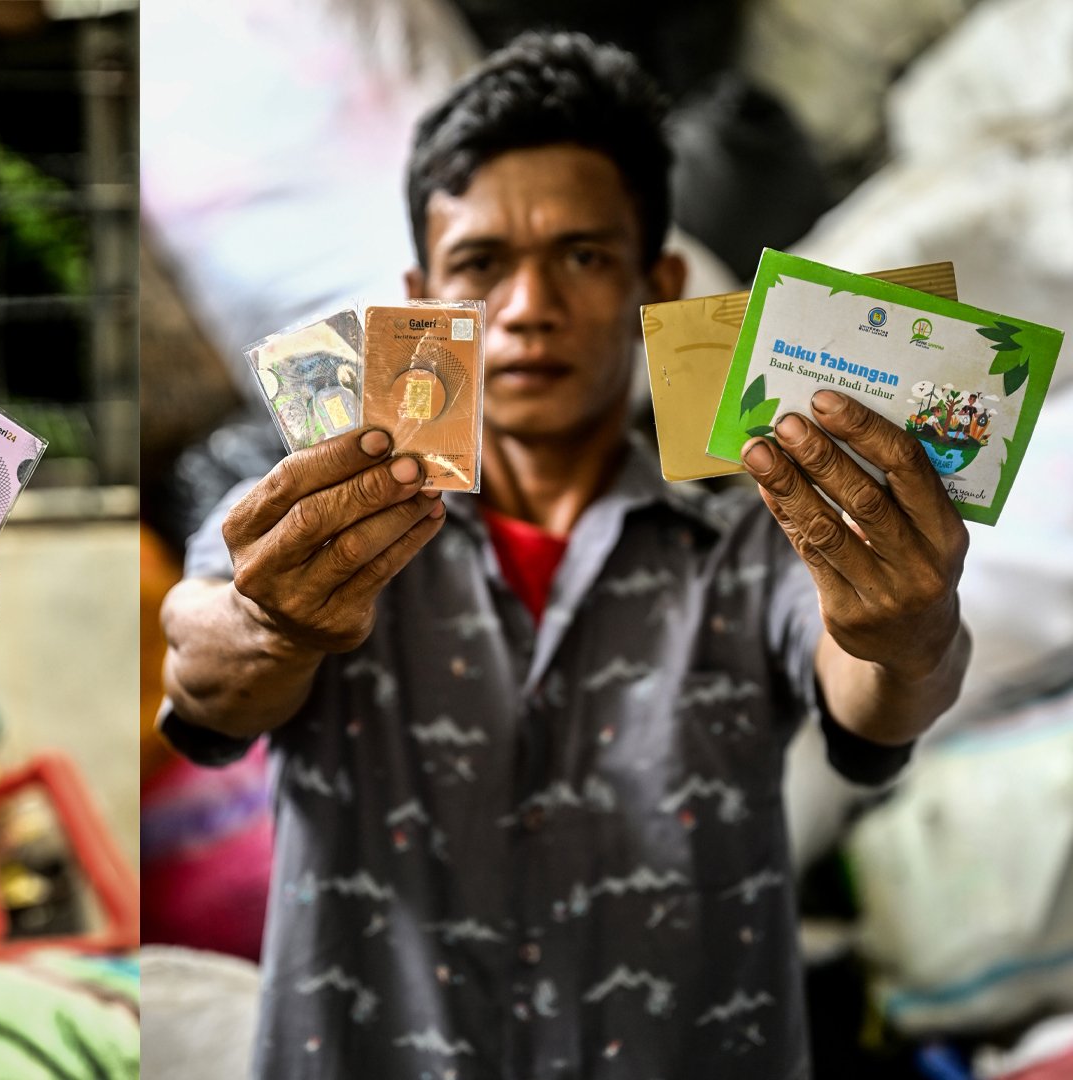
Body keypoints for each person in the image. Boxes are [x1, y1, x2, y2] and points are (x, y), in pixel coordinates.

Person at [159, 33, 970, 1079]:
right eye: (483, 265)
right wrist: (268, 627)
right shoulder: (315, 516)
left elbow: (872, 694)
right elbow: (201, 659)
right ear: (422, 294)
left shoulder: (752, 536)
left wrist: (909, 630)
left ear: (660, 282)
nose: (530, 309)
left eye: (583, 258)